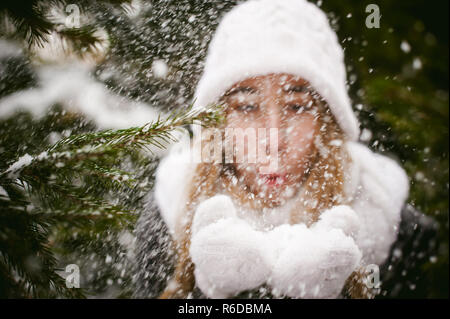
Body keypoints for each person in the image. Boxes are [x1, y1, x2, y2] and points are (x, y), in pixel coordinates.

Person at [134, 0, 439, 299]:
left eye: (296, 106)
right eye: (247, 107)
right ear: (218, 122)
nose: (273, 140)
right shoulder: (171, 211)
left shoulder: (385, 218)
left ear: (327, 120)